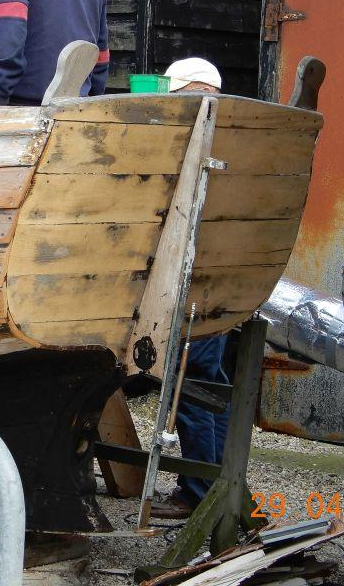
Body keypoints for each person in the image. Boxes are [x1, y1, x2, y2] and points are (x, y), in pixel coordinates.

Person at [152, 57, 228, 519]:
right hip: (224, 284)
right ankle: (212, 486)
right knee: (210, 386)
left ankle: (200, 494)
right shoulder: (234, 134)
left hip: (193, 285)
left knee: (193, 389)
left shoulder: (190, 139)